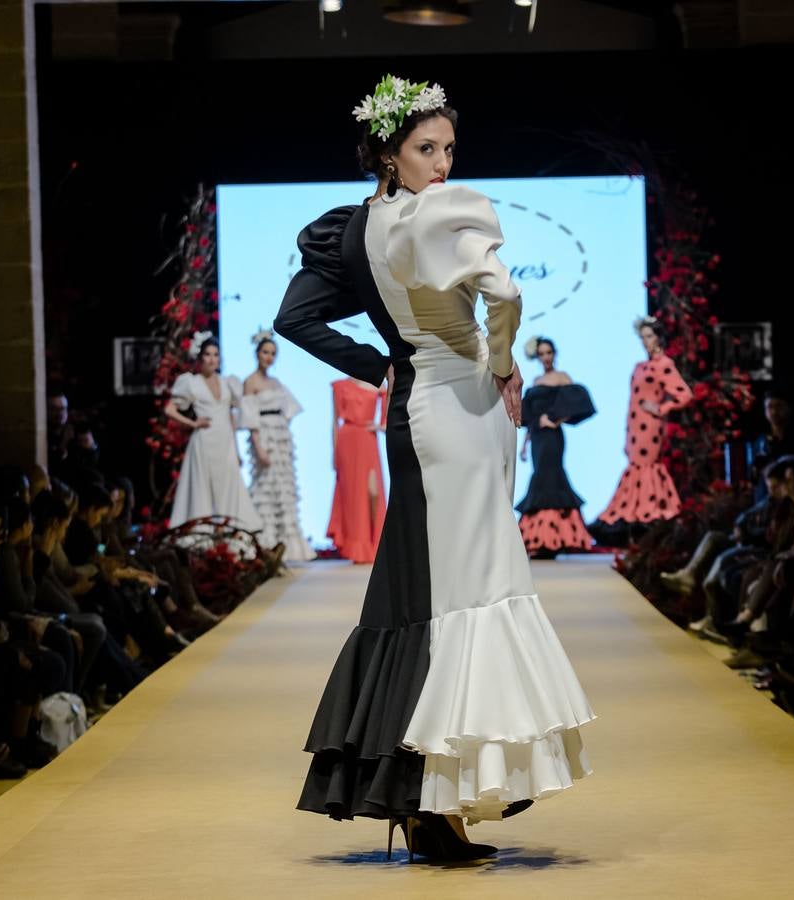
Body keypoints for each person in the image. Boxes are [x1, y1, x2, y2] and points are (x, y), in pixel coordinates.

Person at [274, 74, 593, 862]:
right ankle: (435, 796)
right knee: (468, 595)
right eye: (426, 148)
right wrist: (503, 353)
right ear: (389, 150)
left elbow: (293, 317)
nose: (443, 163)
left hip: (418, 412)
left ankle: (431, 800)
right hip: (462, 413)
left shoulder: (352, 229)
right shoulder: (443, 215)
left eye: (449, 148)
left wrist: (378, 363)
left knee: (438, 597)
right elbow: (505, 292)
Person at [591, 315, 693, 537]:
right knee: (636, 466)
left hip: (651, 426)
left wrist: (661, 408)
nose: (645, 341)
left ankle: (652, 513)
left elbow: (684, 394)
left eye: (649, 336)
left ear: (658, 338)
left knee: (647, 467)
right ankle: (637, 518)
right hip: (635, 428)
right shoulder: (641, 366)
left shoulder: (664, 365)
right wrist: (627, 435)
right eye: (642, 337)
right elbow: (633, 402)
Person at [164, 337, 264, 536]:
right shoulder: (192, 382)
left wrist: (236, 450)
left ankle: (229, 532)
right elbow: (170, 409)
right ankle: (203, 535)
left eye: (216, 355)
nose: (212, 359)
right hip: (204, 442)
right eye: (208, 355)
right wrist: (193, 423)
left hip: (225, 443)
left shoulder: (227, 383)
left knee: (228, 488)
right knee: (203, 490)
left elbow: (230, 417)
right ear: (201, 358)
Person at [515, 336, 596, 557]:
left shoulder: (562, 378)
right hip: (537, 440)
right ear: (537, 356)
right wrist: (524, 446)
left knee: (551, 477)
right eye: (542, 353)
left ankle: (556, 537)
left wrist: (556, 420)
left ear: (554, 353)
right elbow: (530, 418)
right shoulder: (536, 381)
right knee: (539, 477)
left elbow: (578, 402)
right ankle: (540, 538)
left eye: (549, 352)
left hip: (552, 438)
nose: (546, 357)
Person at [242, 330, 314, 562]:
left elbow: (291, 408)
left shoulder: (276, 382)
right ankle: (266, 544)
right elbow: (249, 419)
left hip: (281, 441)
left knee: (284, 490)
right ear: (257, 353)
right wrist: (258, 447)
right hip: (264, 439)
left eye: (273, 353)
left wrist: (281, 426)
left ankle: (289, 547)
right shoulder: (250, 382)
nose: (269, 357)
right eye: (265, 352)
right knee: (265, 489)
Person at [327, 376, 387, 563]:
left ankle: (375, 544)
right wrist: (334, 453)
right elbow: (334, 422)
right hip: (347, 440)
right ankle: (358, 548)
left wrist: (380, 426)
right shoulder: (340, 385)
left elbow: (388, 415)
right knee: (352, 496)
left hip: (367, 439)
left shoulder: (378, 385)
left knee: (373, 492)